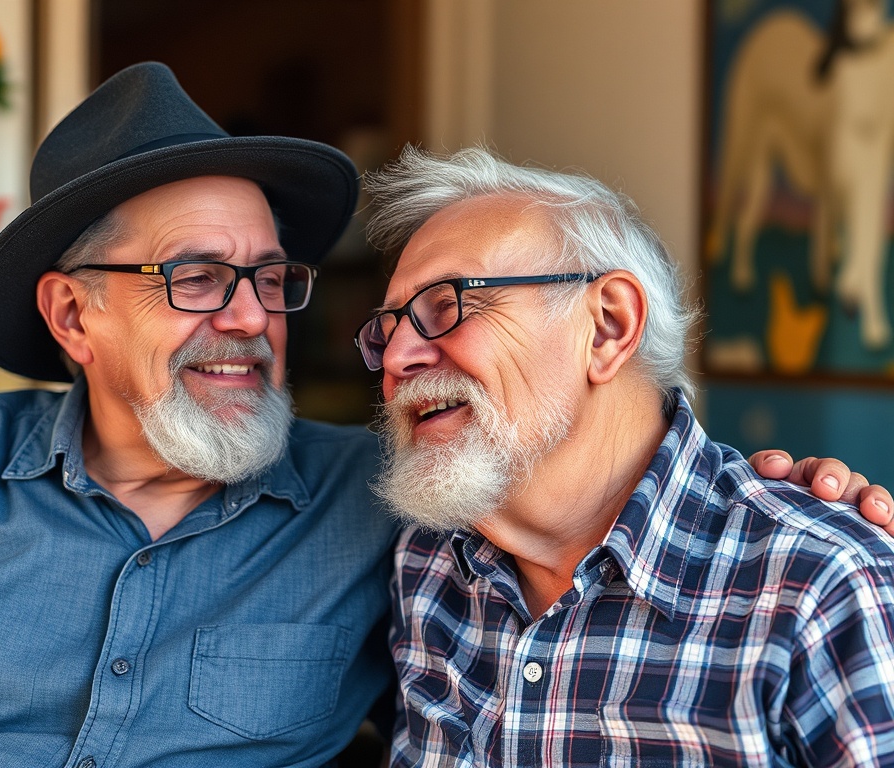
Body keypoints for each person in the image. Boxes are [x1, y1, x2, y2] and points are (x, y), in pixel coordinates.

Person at [0, 62, 883, 768]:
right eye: (195, 277)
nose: (249, 318)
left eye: (269, 279)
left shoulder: (390, 515)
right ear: (70, 313)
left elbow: (604, 483)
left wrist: (807, 507)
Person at [355, 146, 894, 766]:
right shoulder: (423, 565)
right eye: (387, 329)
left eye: (446, 305)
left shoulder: (821, 585)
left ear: (609, 325)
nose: (397, 360)